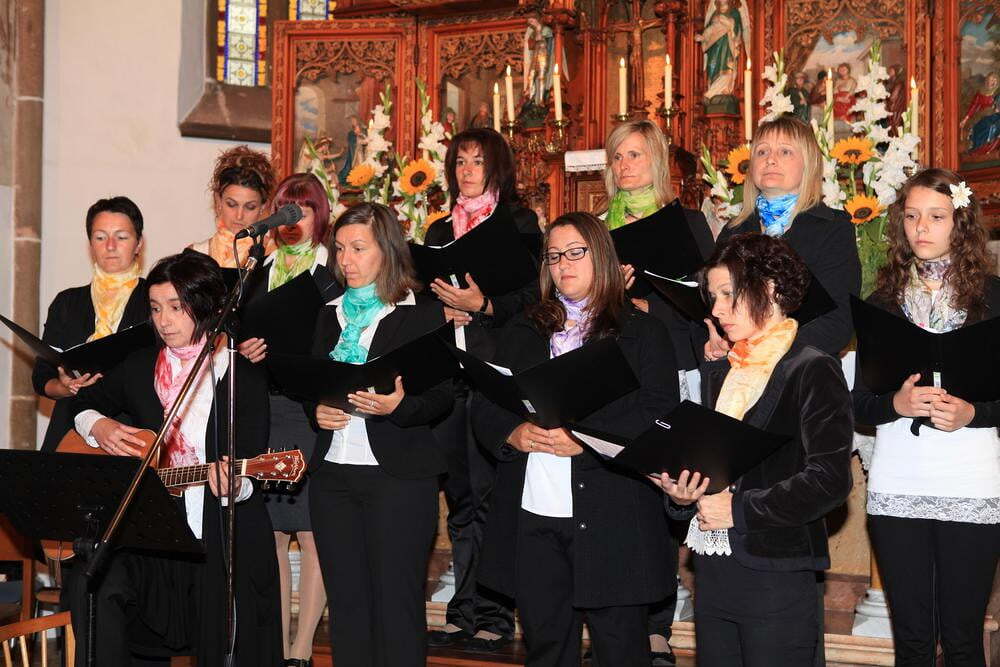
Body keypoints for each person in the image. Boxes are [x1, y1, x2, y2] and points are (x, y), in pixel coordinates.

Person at [472, 211, 679, 666]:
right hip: (535, 510)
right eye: (553, 256)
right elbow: (485, 402)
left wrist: (587, 441)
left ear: (600, 255)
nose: (563, 264)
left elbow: (658, 412)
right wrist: (513, 432)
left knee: (621, 650)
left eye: (574, 253)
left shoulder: (642, 330)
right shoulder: (525, 329)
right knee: (547, 648)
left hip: (613, 511)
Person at [67, 250, 282, 666]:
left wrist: (235, 484)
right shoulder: (141, 365)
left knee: (223, 626)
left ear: (207, 308)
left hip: (218, 537)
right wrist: (99, 426)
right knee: (91, 581)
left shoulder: (240, 374)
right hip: (153, 535)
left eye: (176, 308)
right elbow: (82, 403)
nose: (163, 320)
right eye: (155, 308)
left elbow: (252, 465)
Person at [654, 232, 853, 666]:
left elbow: (830, 480)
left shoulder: (813, 367)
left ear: (770, 288)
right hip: (714, 568)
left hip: (775, 572)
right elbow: (715, 466)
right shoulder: (724, 369)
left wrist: (739, 510)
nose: (716, 309)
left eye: (728, 294)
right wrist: (682, 494)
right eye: (713, 296)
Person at [852, 168, 1000, 667]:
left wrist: (974, 412)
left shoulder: (994, 297)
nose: (922, 227)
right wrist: (894, 405)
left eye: (936, 216)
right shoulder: (882, 302)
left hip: (971, 480)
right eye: (912, 216)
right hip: (899, 479)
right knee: (913, 642)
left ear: (960, 222)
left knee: (962, 641)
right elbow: (859, 403)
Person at [309, 202, 452, 667]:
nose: (345, 260)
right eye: (339, 249)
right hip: (333, 477)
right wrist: (318, 411)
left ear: (387, 250)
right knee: (347, 607)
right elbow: (313, 385)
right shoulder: (327, 314)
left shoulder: (422, 314)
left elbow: (443, 397)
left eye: (358, 248)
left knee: (397, 605)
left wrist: (399, 407)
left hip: (398, 478)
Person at [600, 117, 713, 666]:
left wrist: (650, 308)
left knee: (665, 490)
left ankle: (657, 623)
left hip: (672, 369)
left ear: (659, 162)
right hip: (611, 376)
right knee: (615, 492)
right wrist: (610, 298)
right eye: (618, 156)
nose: (625, 165)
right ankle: (612, 611)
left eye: (636, 155)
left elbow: (710, 305)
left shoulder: (688, 223)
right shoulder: (597, 230)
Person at [423, 127, 539, 651]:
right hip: (450, 376)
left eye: (478, 161)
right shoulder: (438, 230)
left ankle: (495, 611)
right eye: (461, 162)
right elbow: (421, 299)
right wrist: (440, 312)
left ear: (497, 169)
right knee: (461, 499)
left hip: (497, 372)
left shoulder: (519, 222)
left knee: (494, 496)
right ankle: (462, 608)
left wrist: (483, 305)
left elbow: (536, 296)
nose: (468, 170)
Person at [236, 172, 337, 667]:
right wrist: (244, 349)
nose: (294, 218)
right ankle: (276, 647)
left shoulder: (332, 272)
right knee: (273, 531)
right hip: (264, 408)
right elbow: (237, 330)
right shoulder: (258, 269)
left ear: (321, 215)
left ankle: (301, 650)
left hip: (309, 410)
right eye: (285, 208)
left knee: (312, 531)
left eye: (304, 208)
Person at [707, 115, 861, 360]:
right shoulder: (734, 231)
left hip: (803, 370)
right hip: (737, 368)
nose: (770, 159)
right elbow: (713, 305)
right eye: (762, 152)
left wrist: (763, 349)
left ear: (808, 164)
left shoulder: (832, 229)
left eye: (785, 151)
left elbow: (838, 323)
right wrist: (714, 336)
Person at [33, 196, 149, 453]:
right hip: (69, 425)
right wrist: (64, 387)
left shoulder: (155, 298)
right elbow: (42, 377)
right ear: (90, 244)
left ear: (139, 243)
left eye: (121, 237)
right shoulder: (67, 302)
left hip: (132, 428)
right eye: (100, 237)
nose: (110, 246)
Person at [190, 145, 277, 268]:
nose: (239, 216)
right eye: (231, 205)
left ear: (263, 207)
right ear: (218, 201)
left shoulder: (275, 257)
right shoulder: (195, 255)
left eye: (250, 207)